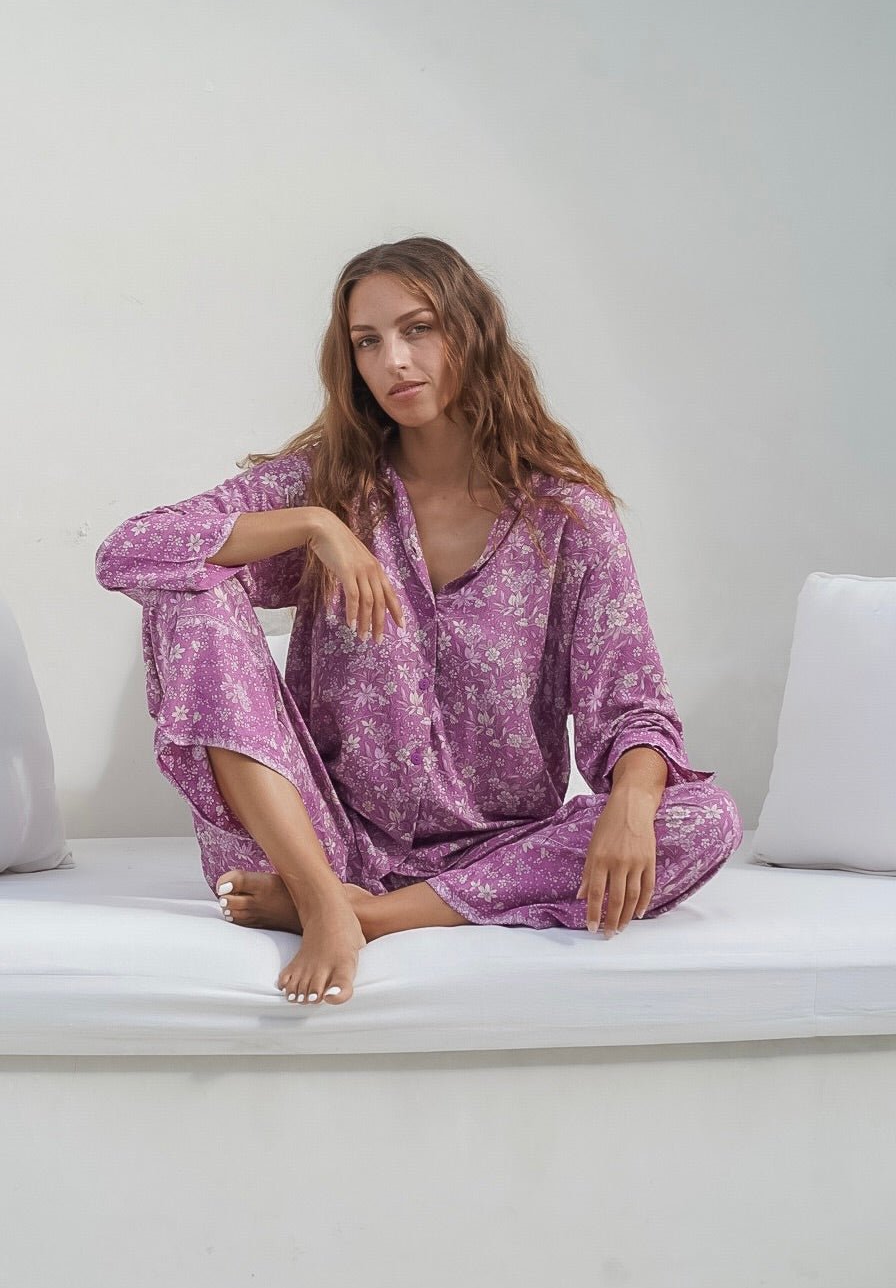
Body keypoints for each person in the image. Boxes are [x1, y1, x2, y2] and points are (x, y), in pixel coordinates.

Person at [95, 235, 743, 1010]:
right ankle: (322, 895)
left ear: (471, 329)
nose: (394, 362)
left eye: (418, 329)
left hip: (494, 849)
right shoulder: (335, 485)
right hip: (317, 839)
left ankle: (366, 916)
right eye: (368, 342)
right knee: (190, 586)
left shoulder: (568, 519)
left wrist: (632, 804)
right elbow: (129, 548)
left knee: (705, 817)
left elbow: (633, 706)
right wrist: (316, 526)